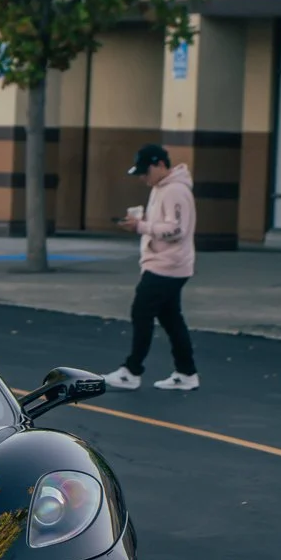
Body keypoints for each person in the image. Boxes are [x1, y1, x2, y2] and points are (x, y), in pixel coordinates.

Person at [105, 143, 199, 392]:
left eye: (146, 172)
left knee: (142, 312)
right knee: (170, 318)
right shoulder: (161, 188)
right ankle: (186, 372)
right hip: (166, 263)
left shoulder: (175, 191)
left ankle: (132, 371)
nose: (144, 179)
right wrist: (142, 224)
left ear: (160, 165)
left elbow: (176, 230)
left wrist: (141, 227)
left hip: (167, 264)